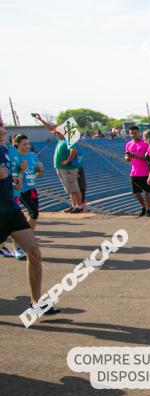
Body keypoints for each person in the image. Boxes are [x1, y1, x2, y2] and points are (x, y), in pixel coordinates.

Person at [0, 125, 61, 320]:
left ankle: (36, 302)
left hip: (10, 209)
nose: (2, 135)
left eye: (2, 131)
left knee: (34, 252)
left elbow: (12, 174)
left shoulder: (4, 151)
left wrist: (15, 180)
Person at [32, 113, 85, 213]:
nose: (55, 134)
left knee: (74, 188)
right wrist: (41, 120)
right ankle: (73, 206)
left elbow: (74, 151)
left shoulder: (68, 140)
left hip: (68, 168)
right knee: (70, 189)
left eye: (58, 133)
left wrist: (67, 161)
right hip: (62, 168)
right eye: (56, 133)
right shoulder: (60, 139)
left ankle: (78, 206)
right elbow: (50, 129)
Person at [11, 135, 43, 259]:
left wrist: (40, 170)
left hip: (31, 189)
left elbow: (37, 173)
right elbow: (13, 175)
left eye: (28, 144)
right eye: (24, 144)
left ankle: (28, 239)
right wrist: (20, 168)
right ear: (17, 145)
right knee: (20, 217)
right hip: (20, 190)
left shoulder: (32, 156)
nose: (27, 146)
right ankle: (18, 247)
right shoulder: (15, 157)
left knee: (34, 214)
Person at [124, 126, 150, 217]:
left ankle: (148, 209)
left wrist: (135, 156)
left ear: (139, 133)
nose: (133, 135)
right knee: (136, 192)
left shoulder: (145, 143)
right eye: (131, 133)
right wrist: (128, 157)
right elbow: (126, 157)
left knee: (147, 192)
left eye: (135, 133)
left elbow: (149, 158)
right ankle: (143, 207)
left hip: (145, 171)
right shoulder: (128, 144)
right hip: (134, 172)